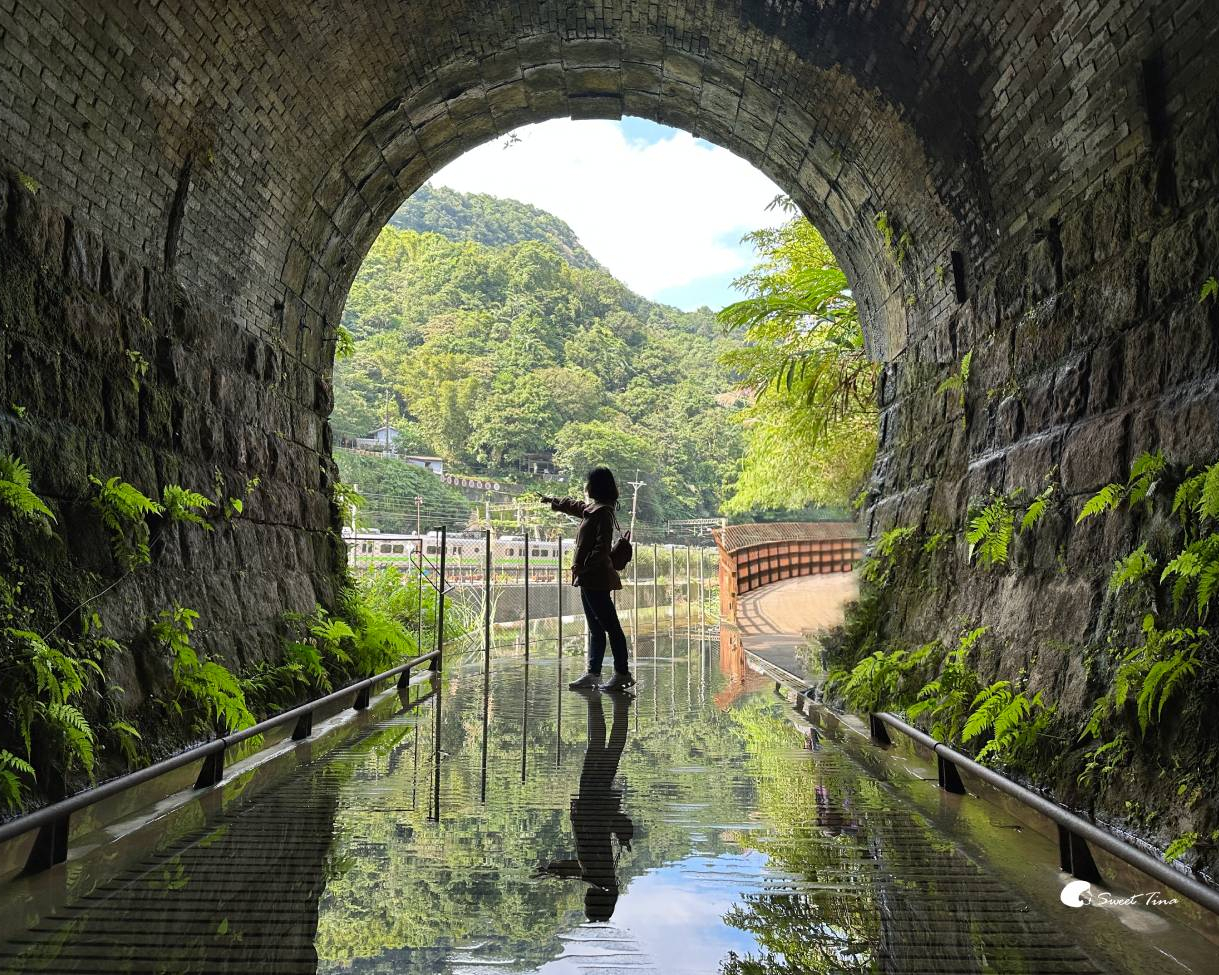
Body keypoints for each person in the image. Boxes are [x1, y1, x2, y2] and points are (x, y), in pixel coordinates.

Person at [537, 690, 634, 921]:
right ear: (593, 901)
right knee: (602, 748)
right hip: (593, 802)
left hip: (596, 805)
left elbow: (578, 870)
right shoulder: (598, 878)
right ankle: (601, 701)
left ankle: (612, 704)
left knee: (607, 749)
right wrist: (623, 831)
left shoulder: (605, 880)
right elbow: (579, 870)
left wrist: (552, 870)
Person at [540, 466, 635, 692]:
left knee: (610, 626)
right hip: (588, 578)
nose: (586, 486)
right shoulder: (596, 509)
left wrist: (582, 567)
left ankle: (622, 673)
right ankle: (593, 673)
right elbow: (576, 506)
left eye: (589, 482)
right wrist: (554, 501)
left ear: (597, 486)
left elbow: (601, 548)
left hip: (595, 578)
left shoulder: (603, 512)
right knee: (596, 628)